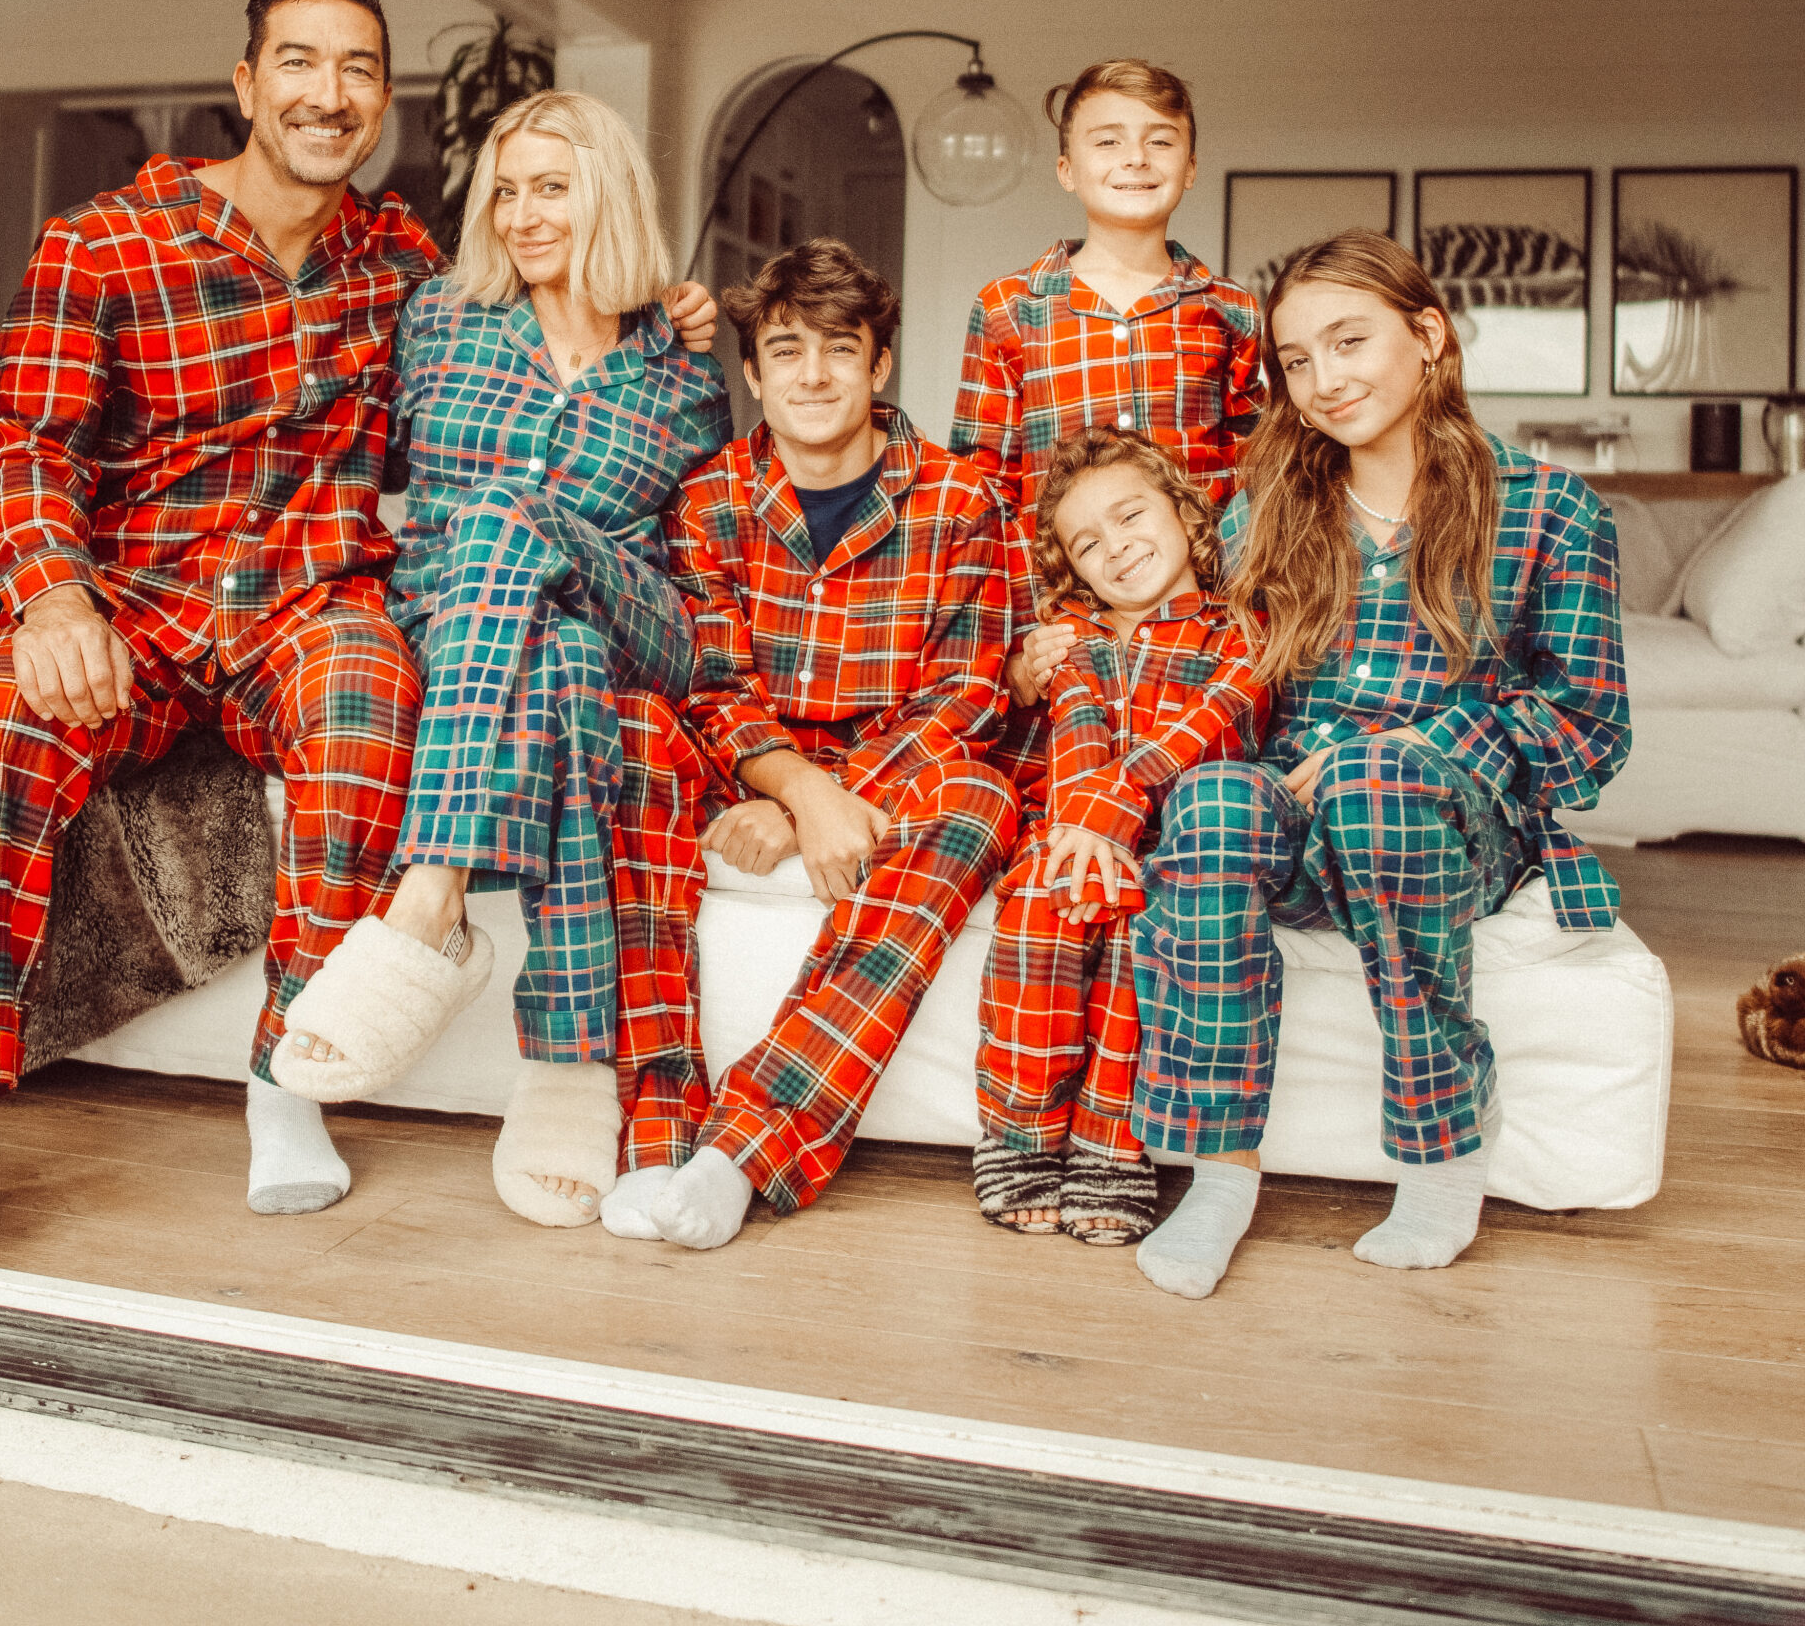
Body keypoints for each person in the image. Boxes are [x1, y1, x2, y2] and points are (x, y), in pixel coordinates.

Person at [0, 0, 440, 1287]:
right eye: (299, 62)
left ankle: (289, 1074)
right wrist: (52, 591)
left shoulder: (406, 265)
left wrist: (655, 314)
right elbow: (24, 444)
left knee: (368, 698)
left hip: (308, 601)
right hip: (132, 605)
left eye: (356, 69)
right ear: (246, 85)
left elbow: (531, 348)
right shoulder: (104, 243)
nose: (327, 93)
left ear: (383, 101)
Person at [1128, 231, 1631, 1302]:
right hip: (1292, 805)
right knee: (1214, 799)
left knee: (1376, 787)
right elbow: (1210, 674)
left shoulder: (1550, 508)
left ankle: (1442, 1149)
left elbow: (1590, 728)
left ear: (1427, 335)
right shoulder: (1267, 511)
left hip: (1451, 815)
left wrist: (1422, 742)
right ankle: (1217, 1173)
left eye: (1347, 341)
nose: (1322, 380)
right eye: (1295, 361)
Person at [273, 92, 731, 1232]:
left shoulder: (681, 374)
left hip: (641, 612)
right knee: (558, 655)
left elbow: (703, 567)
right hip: (461, 621)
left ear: (607, 193)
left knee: (518, 534)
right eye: (505, 190)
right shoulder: (438, 316)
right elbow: (328, 446)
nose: (523, 214)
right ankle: (569, 1066)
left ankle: (427, 902)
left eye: (551, 186)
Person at [602, 240, 1017, 1251]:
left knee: (980, 801)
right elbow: (710, 682)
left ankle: (744, 1149)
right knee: (633, 732)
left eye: (841, 350)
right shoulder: (706, 502)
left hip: (882, 771)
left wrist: (821, 801)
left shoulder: (961, 501)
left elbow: (962, 697)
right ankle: (654, 1133)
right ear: (751, 374)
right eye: (785, 352)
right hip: (742, 759)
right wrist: (792, 789)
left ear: (879, 367)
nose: (814, 376)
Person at [975, 428, 1269, 1242]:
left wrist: (1114, 809)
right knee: (1048, 898)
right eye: (1088, 543)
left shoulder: (1234, 629)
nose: (1118, 548)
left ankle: (1114, 1146)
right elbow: (1075, 725)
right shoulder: (1076, 639)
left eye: (1132, 515)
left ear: (1183, 510)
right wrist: (1081, 830)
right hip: (1073, 829)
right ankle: (1021, 1130)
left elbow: (1220, 718)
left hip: (1182, 837)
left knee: (1147, 925)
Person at [950, 59, 1265, 761]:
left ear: (1189, 167)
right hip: (1063, 635)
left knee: (1197, 814)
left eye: (1160, 140)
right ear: (1067, 168)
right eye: (1108, 140)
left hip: (1198, 637)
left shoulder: (1230, 311)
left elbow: (1256, 483)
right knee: (1071, 822)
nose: (1135, 159)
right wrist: (1010, 647)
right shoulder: (1011, 309)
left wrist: (1241, 614)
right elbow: (983, 492)